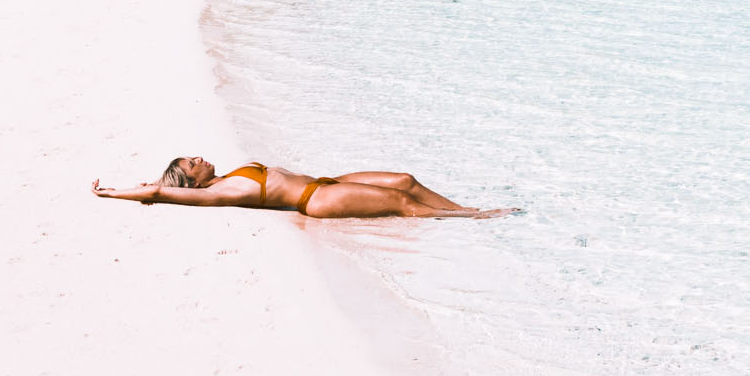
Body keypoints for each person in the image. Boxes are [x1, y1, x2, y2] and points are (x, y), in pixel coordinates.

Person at [91, 155, 512, 219]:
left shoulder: (223, 178)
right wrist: (112, 192)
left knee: (405, 180)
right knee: (401, 202)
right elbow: (160, 193)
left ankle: (467, 209)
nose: (199, 158)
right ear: (191, 181)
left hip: (324, 181)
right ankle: (468, 219)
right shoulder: (220, 193)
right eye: (192, 163)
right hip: (316, 198)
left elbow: (159, 187)